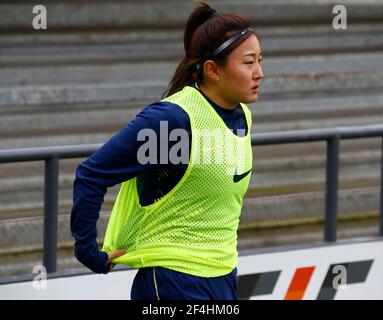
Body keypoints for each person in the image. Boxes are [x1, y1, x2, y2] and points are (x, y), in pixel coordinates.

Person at [70, 1, 263, 300]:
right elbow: (91, 174)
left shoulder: (243, 116)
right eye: (249, 63)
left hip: (223, 276)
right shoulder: (173, 121)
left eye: (260, 60)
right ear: (213, 69)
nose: (259, 73)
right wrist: (87, 251)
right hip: (174, 282)